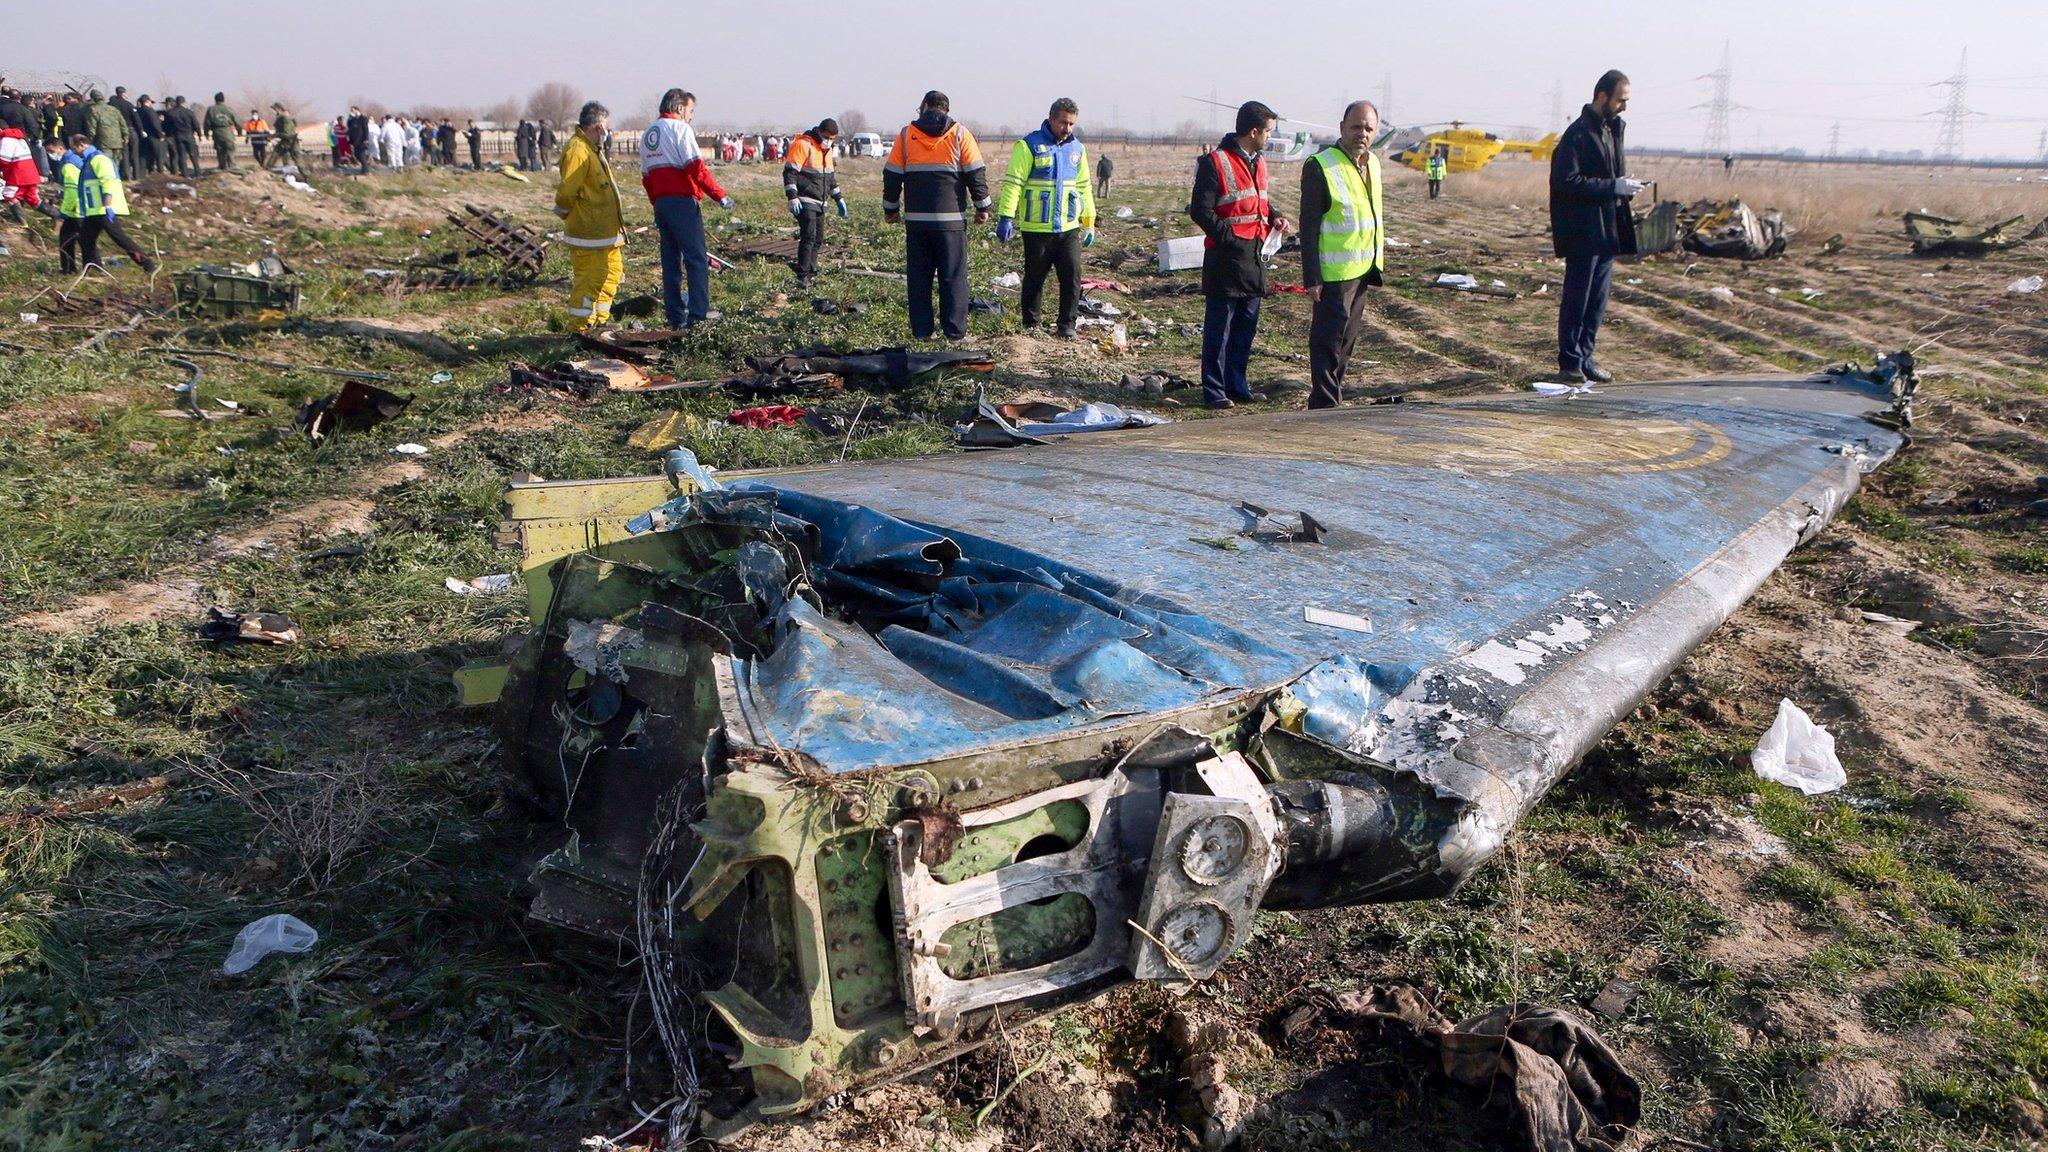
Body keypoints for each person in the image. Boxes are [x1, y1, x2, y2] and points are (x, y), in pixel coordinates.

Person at [1187, 100, 1289, 408]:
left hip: (1255, 257)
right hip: (1226, 259)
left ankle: (1237, 386)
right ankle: (1214, 391)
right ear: (1254, 131)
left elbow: (1258, 201)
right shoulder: (1214, 162)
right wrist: (1229, 239)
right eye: (1269, 131)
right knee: (1220, 330)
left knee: (1246, 328)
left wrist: (1275, 216)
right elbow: (1200, 211)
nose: (1270, 137)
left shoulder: (1259, 161)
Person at [1549, 69, 1641, 385]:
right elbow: (1566, 182)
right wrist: (1612, 186)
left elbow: (1608, 176)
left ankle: (1586, 357)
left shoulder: (1613, 130)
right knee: (1578, 297)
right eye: (1620, 100)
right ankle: (1570, 362)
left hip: (1607, 230)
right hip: (1583, 231)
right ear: (1602, 96)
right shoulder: (1577, 135)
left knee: (1597, 301)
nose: (1624, 107)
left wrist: (1624, 186)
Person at [883, 90, 991, 342]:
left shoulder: (906, 135)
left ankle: (922, 333)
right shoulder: (961, 134)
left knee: (919, 279)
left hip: (917, 223)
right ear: (946, 109)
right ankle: (954, 333)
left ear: (924, 106)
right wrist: (982, 207)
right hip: (950, 222)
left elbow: (892, 175)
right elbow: (976, 173)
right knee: (953, 276)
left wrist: (890, 209)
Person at [1300, 101, 1386, 410]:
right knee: (1327, 341)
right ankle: (1324, 403)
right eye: (1355, 127)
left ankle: (1333, 397)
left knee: (1347, 342)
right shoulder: (1320, 166)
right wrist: (1312, 277)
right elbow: (1308, 227)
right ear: (1341, 128)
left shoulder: (1373, 163)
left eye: (1368, 128)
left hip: (1362, 268)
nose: (1361, 133)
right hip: (1333, 274)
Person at [995, 97, 1095, 338]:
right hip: (1037, 228)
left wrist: (1088, 222)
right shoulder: (1028, 145)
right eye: (1063, 122)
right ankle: (1032, 325)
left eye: (1072, 124)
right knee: (1035, 279)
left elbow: (1084, 187)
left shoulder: (1077, 149)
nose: (1067, 128)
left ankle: (1067, 326)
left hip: (1068, 228)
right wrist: (1006, 216)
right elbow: (1014, 183)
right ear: (1051, 119)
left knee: (1072, 278)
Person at [641, 88, 734, 328]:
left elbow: (647, 178)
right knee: (696, 260)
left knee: (670, 260)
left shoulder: (648, 134)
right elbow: (696, 168)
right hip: (682, 202)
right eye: (691, 110)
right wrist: (720, 195)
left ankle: (674, 317)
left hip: (662, 204)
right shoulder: (680, 129)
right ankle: (697, 317)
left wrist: (657, 204)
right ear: (680, 108)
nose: (691, 116)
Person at [555, 100, 625, 332]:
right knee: (589, 280)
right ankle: (580, 329)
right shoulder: (578, 149)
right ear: (598, 126)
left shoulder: (592, 149)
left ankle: (600, 323)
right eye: (606, 127)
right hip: (589, 233)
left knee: (611, 274)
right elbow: (567, 191)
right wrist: (568, 214)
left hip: (605, 233)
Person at [60, 135, 156, 273]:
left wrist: (108, 205)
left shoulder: (99, 159)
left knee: (119, 238)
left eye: (74, 147)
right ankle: (93, 269)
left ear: (81, 145)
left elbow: (108, 182)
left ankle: (147, 264)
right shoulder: (88, 160)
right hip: (94, 210)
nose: (73, 151)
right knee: (86, 239)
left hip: (104, 208)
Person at [782, 117, 846, 287]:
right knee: (808, 236)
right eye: (827, 137)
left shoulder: (827, 151)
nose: (829, 142)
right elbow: (790, 173)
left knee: (818, 238)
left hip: (821, 201)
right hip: (805, 199)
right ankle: (802, 276)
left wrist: (838, 198)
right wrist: (792, 196)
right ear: (819, 132)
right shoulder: (804, 145)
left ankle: (811, 271)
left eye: (833, 139)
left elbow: (830, 178)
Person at [0, 122, 42, 223]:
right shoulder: (19, 138)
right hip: (30, 172)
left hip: (19, 173)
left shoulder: (6, 139)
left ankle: (23, 223)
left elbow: (4, 159)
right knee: (32, 198)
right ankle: (56, 215)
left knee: (9, 194)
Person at [85, 91, 128, 167]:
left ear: (93, 99)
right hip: (117, 140)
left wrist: (90, 139)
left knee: (107, 163)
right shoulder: (113, 109)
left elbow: (92, 126)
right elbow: (123, 123)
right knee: (116, 163)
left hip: (104, 141)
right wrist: (125, 136)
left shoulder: (93, 109)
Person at [166, 97, 203, 177]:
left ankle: (185, 174)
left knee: (182, 156)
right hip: (189, 135)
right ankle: (198, 173)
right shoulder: (189, 112)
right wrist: (199, 135)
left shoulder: (171, 113)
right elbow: (196, 125)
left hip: (178, 136)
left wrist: (169, 135)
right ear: (184, 103)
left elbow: (167, 126)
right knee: (193, 155)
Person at [109, 86, 141, 178]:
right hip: (130, 130)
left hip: (118, 131)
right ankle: (136, 175)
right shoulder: (128, 104)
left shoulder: (111, 105)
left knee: (125, 154)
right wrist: (141, 130)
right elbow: (136, 119)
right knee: (134, 153)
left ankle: (127, 175)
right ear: (123, 93)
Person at [204, 92, 239, 170]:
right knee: (230, 150)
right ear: (223, 100)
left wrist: (206, 133)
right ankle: (231, 166)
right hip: (228, 132)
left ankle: (222, 166)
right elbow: (237, 122)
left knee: (220, 151)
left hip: (217, 133)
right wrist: (239, 132)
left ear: (215, 100)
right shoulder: (229, 109)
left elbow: (207, 123)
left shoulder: (211, 109)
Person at [134, 95, 163, 175]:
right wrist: (160, 134)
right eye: (150, 102)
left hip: (142, 137)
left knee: (143, 156)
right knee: (158, 156)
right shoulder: (150, 111)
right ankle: (160, 173)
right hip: (153, 136)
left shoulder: (138, 111)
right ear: (147, 101)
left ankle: (142, 174)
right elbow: (155, 123)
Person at [267, 103, 299, 170]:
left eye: (274, 109)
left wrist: (274, 135)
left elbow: (287, 133)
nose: (274, 111)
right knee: (273, 157)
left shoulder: (285, 118)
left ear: (279, 109)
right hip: (284, 141)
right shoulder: (280, 118)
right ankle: (268, 170)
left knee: (298, 161)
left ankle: (307, 176)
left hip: (291, 141)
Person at [346, 106, 371, 173]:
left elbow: (365, 129)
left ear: (357, 110)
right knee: (357, 154)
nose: (352, 111)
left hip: (361, 139)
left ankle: (365, 169)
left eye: (353, 110)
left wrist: (366, 138)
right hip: (355, 140)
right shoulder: (353, 119)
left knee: (361, 154)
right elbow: (350, 128)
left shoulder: (363, 118)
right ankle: (364, 167)